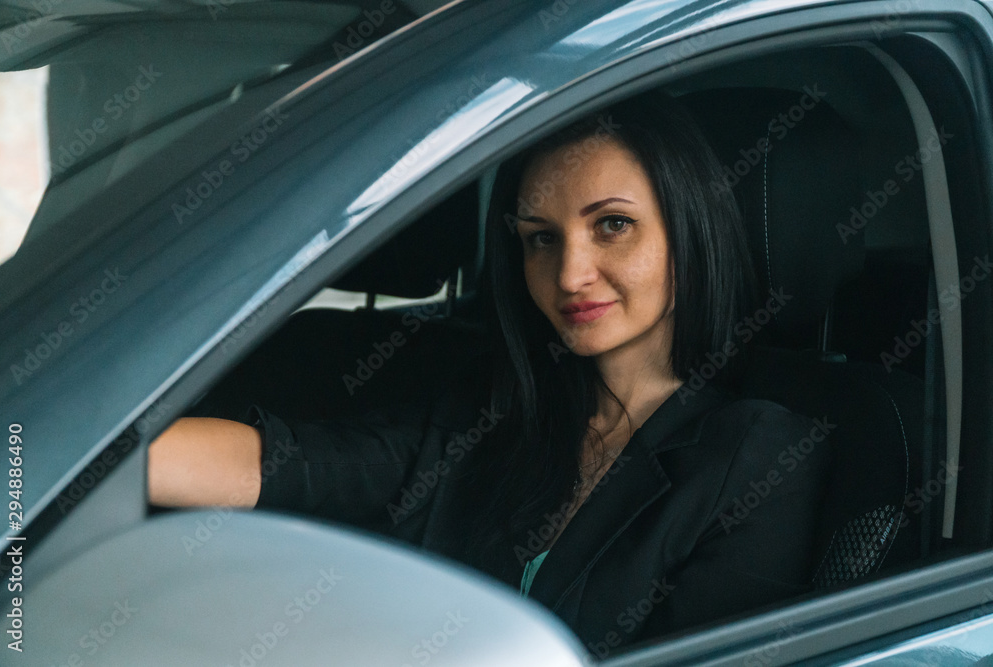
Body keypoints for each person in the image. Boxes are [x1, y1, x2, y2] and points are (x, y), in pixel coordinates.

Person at [148, 90, 833, 657]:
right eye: (541, 238)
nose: (569, 274)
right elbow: (297, 463)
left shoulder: (759, 458)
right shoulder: (499, 407)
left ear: (689, 234)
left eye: (613, 226)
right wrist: (60, 457)